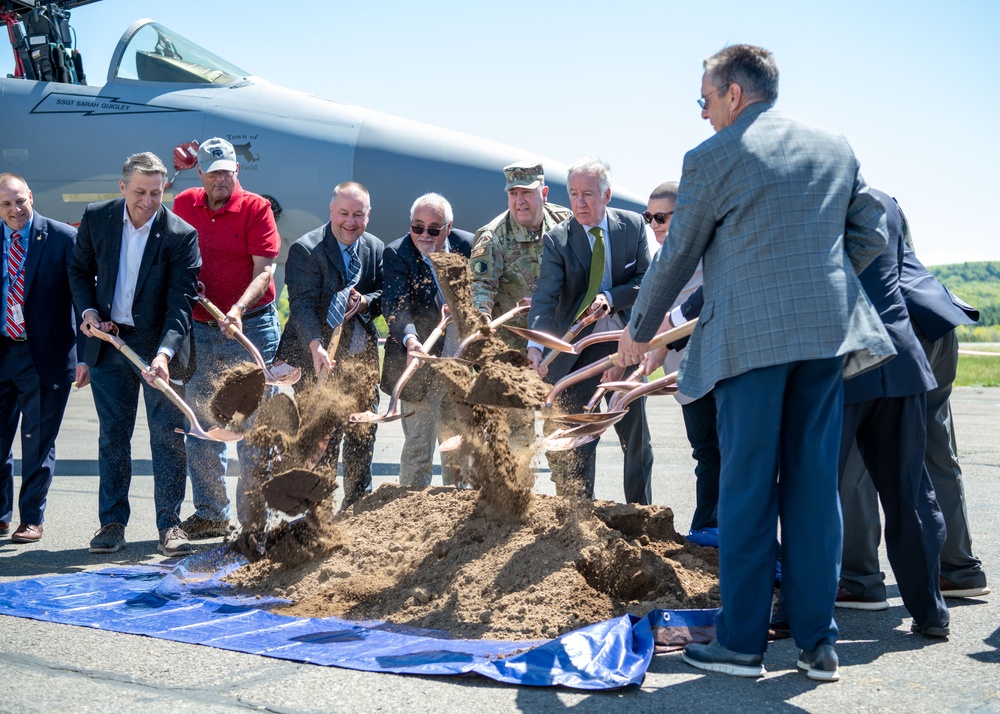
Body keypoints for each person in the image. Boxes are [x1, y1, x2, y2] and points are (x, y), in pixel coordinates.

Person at [617, 45, 893, 681]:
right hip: (823, 340)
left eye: (705, 101)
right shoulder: (835, 146)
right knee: (812, 490)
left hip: (748, 347)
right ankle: (817, 645)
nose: (705, 114)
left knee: (745, 494)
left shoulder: (714, 156)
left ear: (733, 96)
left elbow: (678, 253)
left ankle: (742, 645)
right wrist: (816, 282)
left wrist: (638, 333)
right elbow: (871, 231)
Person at [839, 197, 987, 608]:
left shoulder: (828, 200)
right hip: (936, 318)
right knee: (938, 451)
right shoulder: (883, 200)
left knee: (861, 458)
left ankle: (858, 578)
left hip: (892, 332)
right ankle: (958, 571)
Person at [69, 152, 201, 557]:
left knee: (168, 438)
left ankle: (170, 525)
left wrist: (163, 355)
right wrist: (89, 312)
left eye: (156, 193)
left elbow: (181, 304)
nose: (147, 201)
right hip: (110, 345)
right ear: (122, 186)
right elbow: (78, 270)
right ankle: (111, 523)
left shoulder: (181, 234)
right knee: (113, 437)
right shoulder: (98, 217)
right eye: (140, 191)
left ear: (166, 190)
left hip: (159, 349)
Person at [833, 187, 950, 638]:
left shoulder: (814, 199)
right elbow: (901, 274)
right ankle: (931, 612)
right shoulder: (886, 201)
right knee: (910, 492)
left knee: (816, 493)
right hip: (900, 357)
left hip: (844, 364)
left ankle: (803, 611)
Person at [527, 156, 654, 505]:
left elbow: (647, 281)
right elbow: (545, 297)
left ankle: (640, 512)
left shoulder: (631, 227)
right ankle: (578, 515)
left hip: (623, 346)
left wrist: (611, 298)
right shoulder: (558, 240)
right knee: (576, 441)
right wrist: (536, 345)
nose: (580, 203)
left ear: (607, 195)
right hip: (576, 352)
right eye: (573, 194)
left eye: (588, 195)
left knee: (635, 439)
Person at [171, 137, 281, 537]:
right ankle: (212, 515)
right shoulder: (184, 204)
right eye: (213, 172)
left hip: (250, 326)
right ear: (200, 173)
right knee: (202, 424)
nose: (221, 179)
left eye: (227, 172)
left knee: (251, 427)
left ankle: (253, 519)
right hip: (201, 329)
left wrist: (236, 309)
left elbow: (265, 271)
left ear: (237, 171)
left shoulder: (256, 208)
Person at [274, 181, 383, 508]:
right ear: (331, 211)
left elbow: (383, 294)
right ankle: (316, 517)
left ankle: (356, 508)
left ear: (368, 215)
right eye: (344, 214)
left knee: (362, 436)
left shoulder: (375, 248)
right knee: (322, 439)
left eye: (358, 215)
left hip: (360, 361)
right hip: (315, 359)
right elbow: (302, 305)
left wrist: (365, 302)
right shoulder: (306, 250)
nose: (351, 222)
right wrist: (316, 346)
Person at [0, 173, 88, 544]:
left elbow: (83, 300)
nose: (15, 209)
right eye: (5, 204)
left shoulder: (61, 239)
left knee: (37, 441)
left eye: (19, 200)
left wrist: (85, 357)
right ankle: (1, 515)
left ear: (31, 197)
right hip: (3, 350)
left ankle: (31, 518)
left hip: (45, 355)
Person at [470, 160, 570, 447]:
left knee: (560, 428)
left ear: (544, 192)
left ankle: (565, 491)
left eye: (526, 192)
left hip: (558, 341)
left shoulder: (566, 223)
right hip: (512, 346)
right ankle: (517, 490)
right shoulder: (492, 237)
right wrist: (481, 321)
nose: (519, 201)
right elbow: (481, 287)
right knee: (517, 432)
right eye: (513, 194)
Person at [381, 193, 473, 488]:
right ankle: (411, 515)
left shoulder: (468, 246)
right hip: (419, 365)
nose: (424, 235)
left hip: (457, 363)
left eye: (433, 229)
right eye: (417, 227)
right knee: (419, 449)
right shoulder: (397, 253)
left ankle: (455, 509)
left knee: (458, 446)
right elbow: (395, 305)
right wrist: (411, 340)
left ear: (448, 227)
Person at [644, 180, 718, 542]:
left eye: (661, 216)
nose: (654, 224)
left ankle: (709, 529)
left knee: (714, 453)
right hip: (686, 377)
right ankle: (710, 527)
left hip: (711, 369)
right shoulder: (662, 257)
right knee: (705, 451)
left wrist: (664, 343)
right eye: (649, 217)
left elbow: (704, 305)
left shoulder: (704, 248)